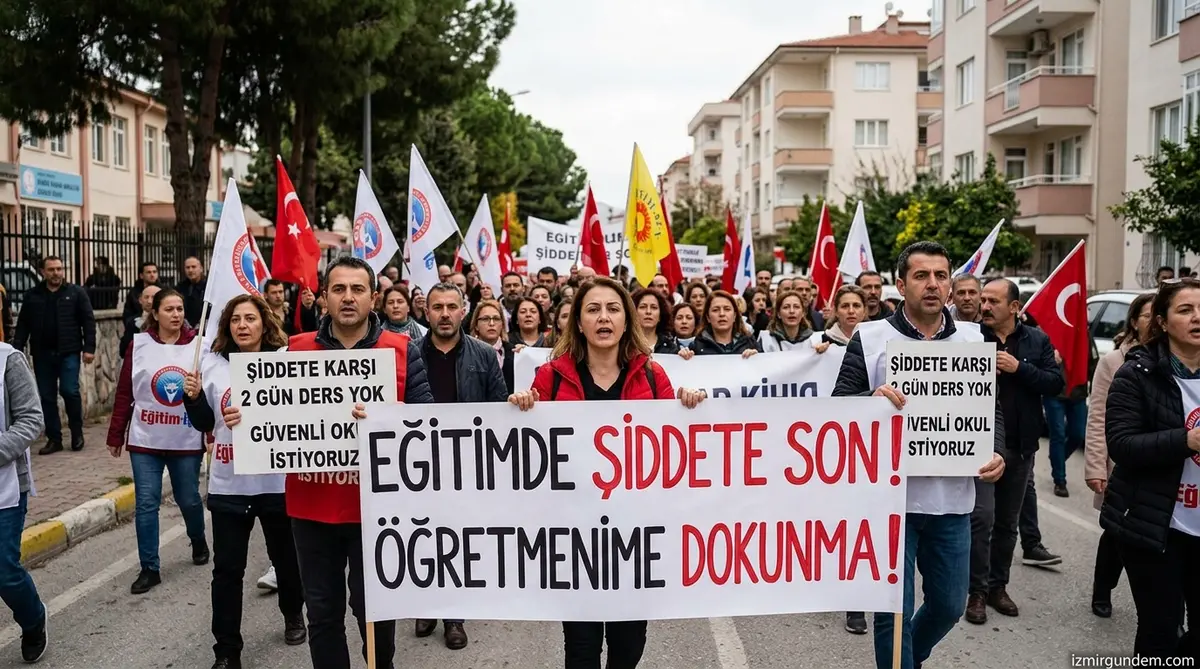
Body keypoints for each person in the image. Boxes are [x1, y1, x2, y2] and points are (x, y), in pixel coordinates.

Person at [226, 256, 433, 669]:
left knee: (374, 611)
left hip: (377, 512)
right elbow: (272, 408)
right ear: (324, 297)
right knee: (322, 613)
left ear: (373, 298)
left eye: (357, 289)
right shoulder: (295, 350)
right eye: (339, 289)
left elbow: (425, 424)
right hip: (312, 508)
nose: (348, 297)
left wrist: (385, 418)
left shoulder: (402, 351)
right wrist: (244, 417)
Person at [507, 275, 706, 669]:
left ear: (626, 320)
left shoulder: (652, 376)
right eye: (593, 309)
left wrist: (689, 405)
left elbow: (672, 445)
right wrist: (522, 405)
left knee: (628, 645)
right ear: (578, 323)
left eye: (613, 309)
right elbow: (529, 450)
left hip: (634, 535)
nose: (603, 317)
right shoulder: (551, 377)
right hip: (574, 537)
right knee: (581, 649)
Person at [833, 241, 1007, 669]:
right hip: (889, 503)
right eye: (921, 276)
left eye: (941, 276)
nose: (933, 284)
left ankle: (908, 658)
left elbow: (991, 409)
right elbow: (838, 407)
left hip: (952, 502)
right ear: (900, 285)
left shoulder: (973, 338)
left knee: (949, 605)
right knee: (892, 611)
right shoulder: (870, 338)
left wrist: (996, 451)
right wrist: (871, 401)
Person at [182, 294, 306, 669]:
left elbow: (302, 411)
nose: (242, 325)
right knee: (227, 572)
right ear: (227, 326)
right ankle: (226, 650)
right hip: (229, 485)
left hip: (275, 483)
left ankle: (292, 614)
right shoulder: (212, 364)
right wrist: (193, 399)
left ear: (264, 322)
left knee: (286, 559)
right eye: (235, 319)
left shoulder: (283, 360)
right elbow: (205, 423)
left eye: (250, 318)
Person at [1101, 277, 1200, 658]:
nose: (1197, 318)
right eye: (1185, 310)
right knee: (1160, 632)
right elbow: (1122, 445)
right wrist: (1186, 441)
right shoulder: (1136, 374)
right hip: (1155, 525)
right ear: (1161, 321)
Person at [410, 281, 509, 650]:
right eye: (437, 307)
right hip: (419, 464)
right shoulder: (408, 353)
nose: (445, 314)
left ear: (463, 311)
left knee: (457, 541)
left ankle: (454, 616)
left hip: (467, 465)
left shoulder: (483, 355)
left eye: (452, 307)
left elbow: (498, 407)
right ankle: (426, 603)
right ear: (426, 312)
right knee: (423, 538)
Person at [965, 278, 1063, 625]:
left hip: (1020, 445)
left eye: (993, 301)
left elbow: (1055, 383)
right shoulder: (971, 338)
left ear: (1014, 307)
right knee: (982, 520)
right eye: (984, 300)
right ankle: (976, 592)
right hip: (980, 445)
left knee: (1008, 523)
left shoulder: (1037, 340)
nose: (985, 306)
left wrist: (1019, 368)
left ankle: (998, 587)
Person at [106, 288, 208, 594]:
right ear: (155, 313)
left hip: (185, 439)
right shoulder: (139, 345)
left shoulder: (198, 347)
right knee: (146, 502)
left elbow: (209, 393)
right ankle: (149, 567)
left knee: (188, 498)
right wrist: (116, 433)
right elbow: (125, 391)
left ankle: (198, 538)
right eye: (169, 309)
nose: (176, 314)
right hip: (146, 439)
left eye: (180, 309)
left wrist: (211, 431)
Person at [1085, 292, 1154, 619]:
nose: (1154, 322)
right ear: (1135, 322)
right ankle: (1103, 588)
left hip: (1162, 464)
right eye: (1147, 315)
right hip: (1122, 464)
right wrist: (1096, 466)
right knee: (1117, 532)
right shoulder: (1114, 361)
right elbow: (1098, 416)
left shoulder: (1175, 360)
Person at [12, 256, 97, 455]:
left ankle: (77, 432)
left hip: (69, 352)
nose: (56, 273)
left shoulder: (76, 293)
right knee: (46, 396)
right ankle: (54, 438)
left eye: (59, 269)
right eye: (51, 269)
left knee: (69, 390)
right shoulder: (33, 295)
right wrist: (17, 349)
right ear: (43, 272)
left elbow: (88, 321)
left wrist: (89, 348)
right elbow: (23, 324)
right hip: (42, 354)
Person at [0, 334, 48, 663]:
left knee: (4, 571)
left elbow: (32, 419)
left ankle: (33, 619)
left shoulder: (8, 360)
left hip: (5, 487)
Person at [691, 291, 759, 357]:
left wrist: (756, 357)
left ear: (734, 316)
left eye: (727, 309)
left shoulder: (750, 343)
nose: (722, 314)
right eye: (715, 310)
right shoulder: (696, 346)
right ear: (708, 317)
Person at [758, 290, 830, 353]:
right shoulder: (766, 340)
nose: (792, 311)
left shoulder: (816, 339)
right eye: (786, 307)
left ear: (803, 313)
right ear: (778, 314)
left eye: (796, 307)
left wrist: (824, 352)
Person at [470, 299, 515, 394]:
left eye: (496, 319)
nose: (491, 323)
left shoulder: (514, 352)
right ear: (476, 325)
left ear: (502, 324)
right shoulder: (466, 351)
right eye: (485, 319)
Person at [632, 288, 690, 357]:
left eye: (654, 307)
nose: (648, 311)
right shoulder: (625, 345)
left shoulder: (671, 348)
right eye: (643, 307)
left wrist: (683, 357)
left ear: (660, 315)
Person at [120, 285, 161, 359]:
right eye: (146, 297)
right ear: (140, 300)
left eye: (153, 297)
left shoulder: (169, 321)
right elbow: (123, 351)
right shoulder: (132, 322)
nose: (149, 301)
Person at [175, 256, 208, 326]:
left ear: (201, 269)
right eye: (187, 267)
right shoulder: (180, 287)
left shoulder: (208, 287)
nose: (190, 270)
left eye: (193, 267)